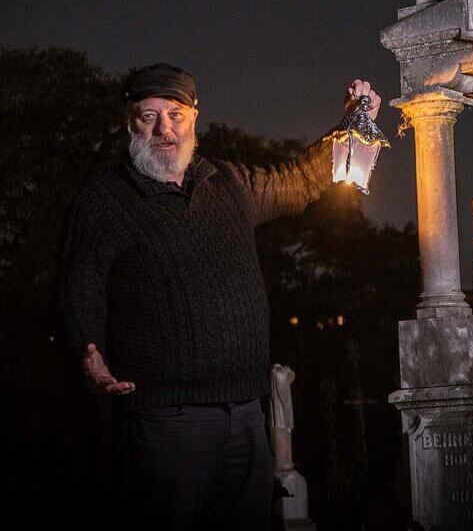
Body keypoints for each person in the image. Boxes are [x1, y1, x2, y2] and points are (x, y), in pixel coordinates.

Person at [56, 62, 381, 529]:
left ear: (194, 117)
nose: (163, 129)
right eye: (149, 116)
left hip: (247, 415)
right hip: (165, 422)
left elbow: (300, 180)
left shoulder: (227, 183)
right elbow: (78, 287)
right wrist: (89, 351)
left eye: (175, 114)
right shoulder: (105, 201)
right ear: (130, 121)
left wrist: (351, 125)